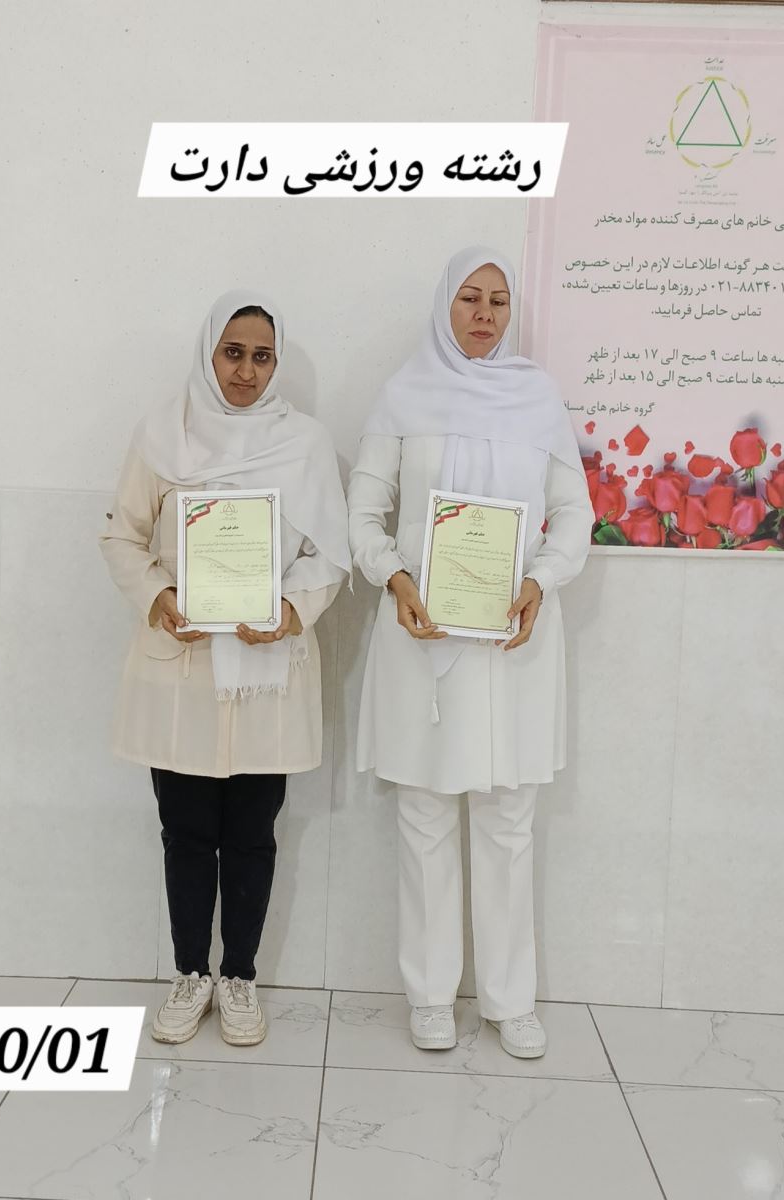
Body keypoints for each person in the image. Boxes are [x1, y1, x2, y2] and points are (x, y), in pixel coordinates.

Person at [347, 247, 592, 1058]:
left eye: (497, 300)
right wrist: (393, 577)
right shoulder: (403, 395)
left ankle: (509, 1001)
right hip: (421, 631)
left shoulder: (537, 398)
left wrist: (541, 580)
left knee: (506, 816)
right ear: (442, 306)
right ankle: (428, 995)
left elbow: (572, 513)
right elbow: (364, 511)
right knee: (423, 812)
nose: (484, 313)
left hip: (513, 636)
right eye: (468, 297)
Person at [100, 291, 349, 1047]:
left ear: (277, 364)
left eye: (261, 357)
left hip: (266, 668)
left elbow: (329, 554)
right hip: (182, 664)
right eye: (232, 353)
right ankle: (189, 974)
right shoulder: (162, 435)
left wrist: (292, 611)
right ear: (209, 354)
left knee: (251, 834)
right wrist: (158, 597)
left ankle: (238, 977)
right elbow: (121, 536)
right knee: (184, 832)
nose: (245, 371)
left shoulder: (305, 444)